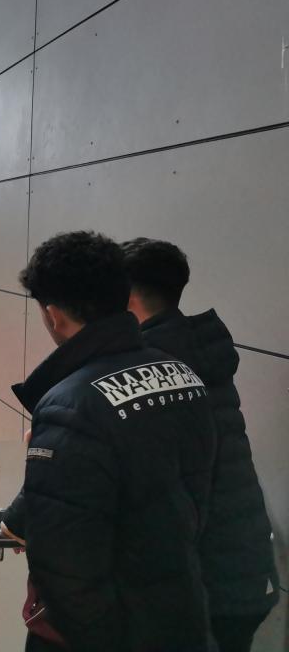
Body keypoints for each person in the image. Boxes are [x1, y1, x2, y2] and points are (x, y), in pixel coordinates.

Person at [0, 231, 216, 652]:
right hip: (179, 613)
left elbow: (63, 566)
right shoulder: (181, 375)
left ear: (53, 315)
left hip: (105, 634)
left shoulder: (68, 405)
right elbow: (196, 505)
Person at [123, 238, 278, 652]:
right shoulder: (199, 348)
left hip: (203, 585)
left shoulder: (151, 371)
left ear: (127, 297)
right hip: (245, 572)